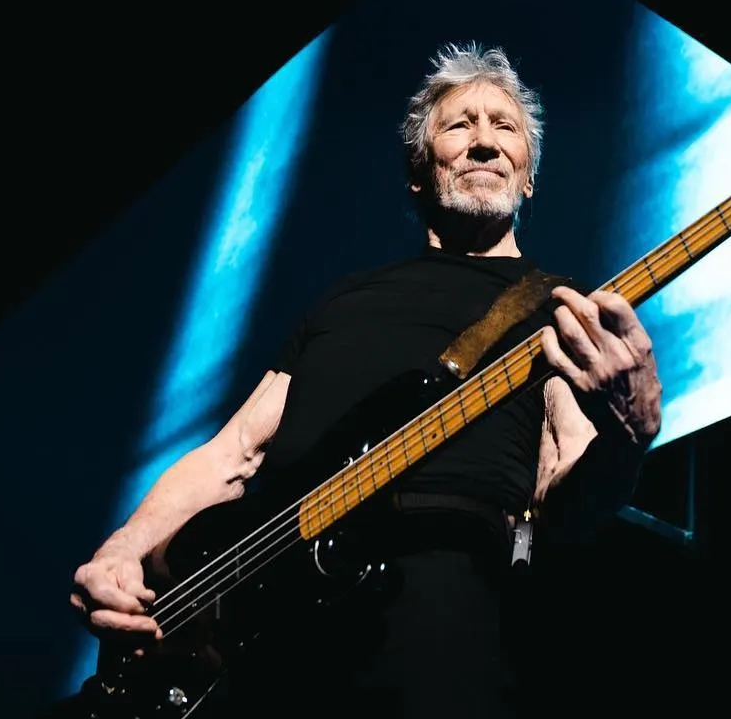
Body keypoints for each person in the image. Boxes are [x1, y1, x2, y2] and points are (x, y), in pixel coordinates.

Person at [68, 42, 664, 716]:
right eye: (459, 125)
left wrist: (629, 437)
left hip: (436, 624)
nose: (484, 143)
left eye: (504, 127)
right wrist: (122, 549)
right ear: (418, 171)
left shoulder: (561, 308)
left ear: (528, 177)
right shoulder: (345, 301)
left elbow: (566, 498)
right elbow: (233, 454)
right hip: (270, 638)